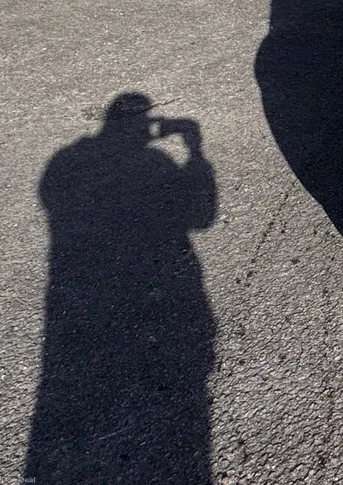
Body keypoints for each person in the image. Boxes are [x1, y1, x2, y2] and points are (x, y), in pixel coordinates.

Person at [24, 92, 216, 482]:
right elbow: (202, 217)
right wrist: (196, 152)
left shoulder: (65, 161)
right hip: (163, 282)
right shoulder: (155, 161)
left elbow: (53, 202)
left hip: (75, 296)